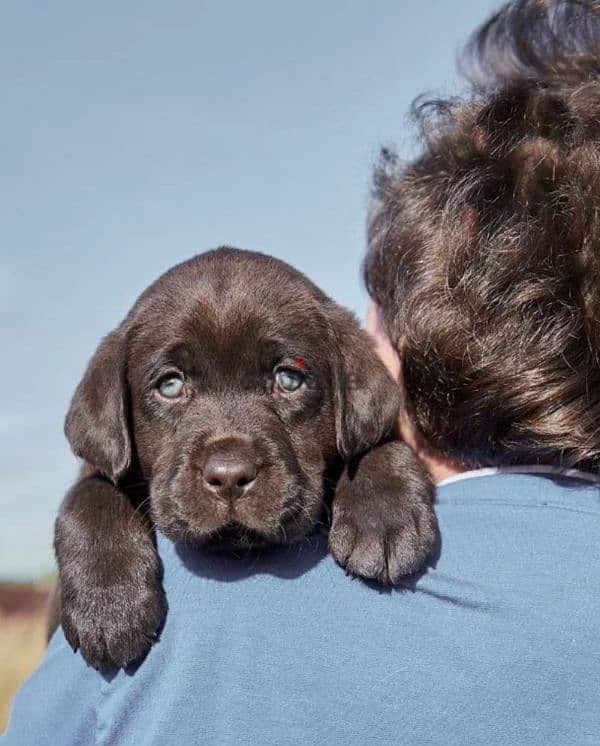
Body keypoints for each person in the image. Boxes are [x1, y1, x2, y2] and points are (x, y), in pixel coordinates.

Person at [3, 1, 600, 744]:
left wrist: (379, 464)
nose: (225, 452)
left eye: (286, 380)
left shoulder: (190, 637)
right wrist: (89, 512)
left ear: (386, 344)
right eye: (171, 386)